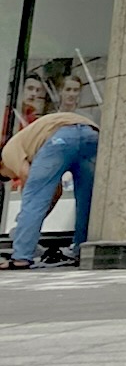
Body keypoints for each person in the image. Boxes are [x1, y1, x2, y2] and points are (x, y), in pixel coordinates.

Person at [2, 110, 99, 270]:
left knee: (33, 198)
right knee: (87, 200)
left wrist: (22, 222)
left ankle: (21, 257)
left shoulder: (7, 153)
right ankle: (80, 250)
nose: (14, 176)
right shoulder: (29, 142)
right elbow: (56, 191)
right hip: (91, 134)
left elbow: (30, 185)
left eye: (8, 176)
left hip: (60, 137)